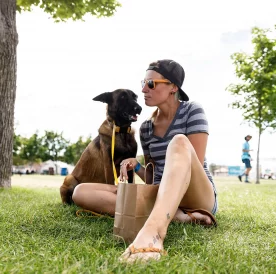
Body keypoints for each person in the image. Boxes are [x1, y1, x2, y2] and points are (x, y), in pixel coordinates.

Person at [72, 59, 217, 263]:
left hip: (197, 196)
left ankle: (154, 232)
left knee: (179, 142)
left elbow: (192, 168)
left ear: (173, 87)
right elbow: (152, 178)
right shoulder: (146, 127)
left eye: (151, 84)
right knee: (81, 191)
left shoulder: (192, 111)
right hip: (161, 193)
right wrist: (137, 165)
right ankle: (178, 215)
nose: (143, 90)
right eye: (143, 83)